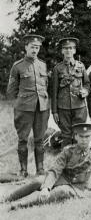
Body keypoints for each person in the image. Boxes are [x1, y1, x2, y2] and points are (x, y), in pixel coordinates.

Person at [7, 123, 91, 210]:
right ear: (76, 136)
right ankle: (7, 199)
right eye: (81, 136)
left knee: (61, 191)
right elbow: (55, 170)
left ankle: (17, 205)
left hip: (79, 187)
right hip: (63, 178)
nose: (84, 140)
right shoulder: (68, 151)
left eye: (87, 136)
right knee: (38, 181)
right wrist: (46, 187)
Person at [6, 34, 49, 176]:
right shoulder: (17, 66)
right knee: (23, 139)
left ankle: (40, 169)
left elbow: (45, 87)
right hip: (24, 108)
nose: (35, 50)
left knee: (39, 139)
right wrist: (17, 106)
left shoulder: (42, 65)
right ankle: (23, 170)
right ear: (26, 47)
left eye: (37, 47)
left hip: (41, 108)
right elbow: (11, 90)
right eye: (32, 47)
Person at [52, 37, 90, 147]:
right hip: (63, 108)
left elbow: (87, 84)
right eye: (66, 48)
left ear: (74, 50)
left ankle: (79, 159)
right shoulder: (57, 68)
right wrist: (54, 111)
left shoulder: (81, 66)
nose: (68, 50)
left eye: (71, 48)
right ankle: (67, 160)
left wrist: (85, 91)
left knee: (79, 134)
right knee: (66, 136)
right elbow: (54, 92)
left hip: (79, 107)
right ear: (62, 51)